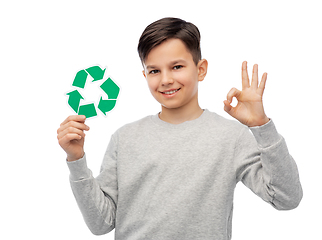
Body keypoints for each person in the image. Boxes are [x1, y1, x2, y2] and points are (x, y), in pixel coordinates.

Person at [57, 17, 302, 239]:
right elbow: (101, 223)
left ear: (201, 69)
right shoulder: (125, 138)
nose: (165, 79)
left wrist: (262, 127)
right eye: (154, 70)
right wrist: (76, 159)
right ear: (145, 75)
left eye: (177, 67)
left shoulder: (230, 137)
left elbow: (286, 198)